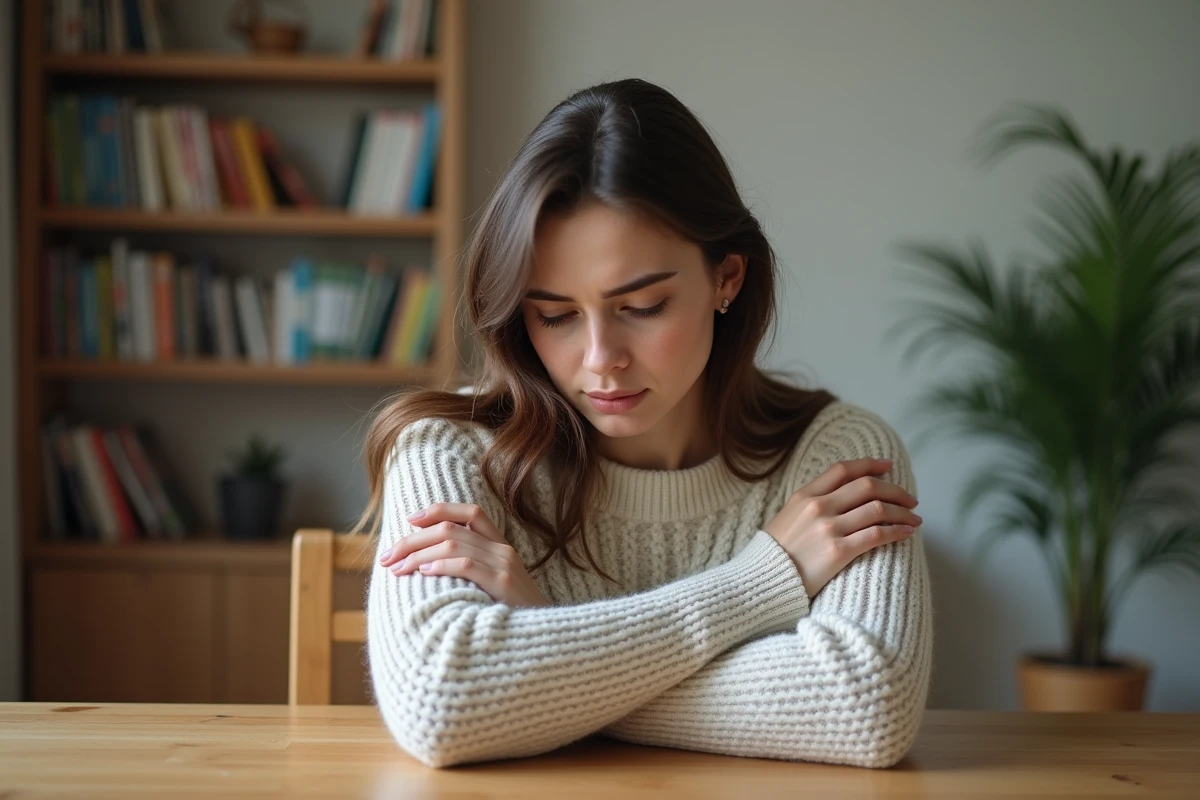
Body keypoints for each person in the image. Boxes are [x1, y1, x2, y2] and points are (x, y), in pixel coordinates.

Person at [355, 77, 933, 770]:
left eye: (644, 305)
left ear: (728, 278)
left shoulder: (838, 459)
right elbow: (441, 703)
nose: (601, 361)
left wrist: (543, 654)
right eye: (556, 315)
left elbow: (868, 707)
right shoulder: (448, 448)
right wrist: (761, 579)